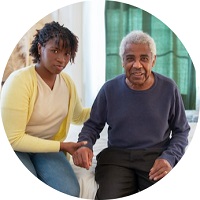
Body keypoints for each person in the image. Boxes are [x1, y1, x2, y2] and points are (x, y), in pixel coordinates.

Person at [72, 30, 190, 199]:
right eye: (130, 58)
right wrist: (85, 145)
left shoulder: (169, 88)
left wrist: (169, 157)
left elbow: (181, 131)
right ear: (122, 61)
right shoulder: (109, 89)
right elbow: (92, 125)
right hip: (117, 159)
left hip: (155, 157)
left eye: (144, 58)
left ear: (153, 60)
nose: (137, 65)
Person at [1, 21, 90, 197]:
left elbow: (78, 116)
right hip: (14, 148)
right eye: (55, 51)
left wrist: (108, 105)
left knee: (69, 191)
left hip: (46, 147)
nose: (61, 59)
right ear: (40, 48)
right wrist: (62, 146)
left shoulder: (67, 83)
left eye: (66, 53)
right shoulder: (20, 81)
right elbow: (13, 139)